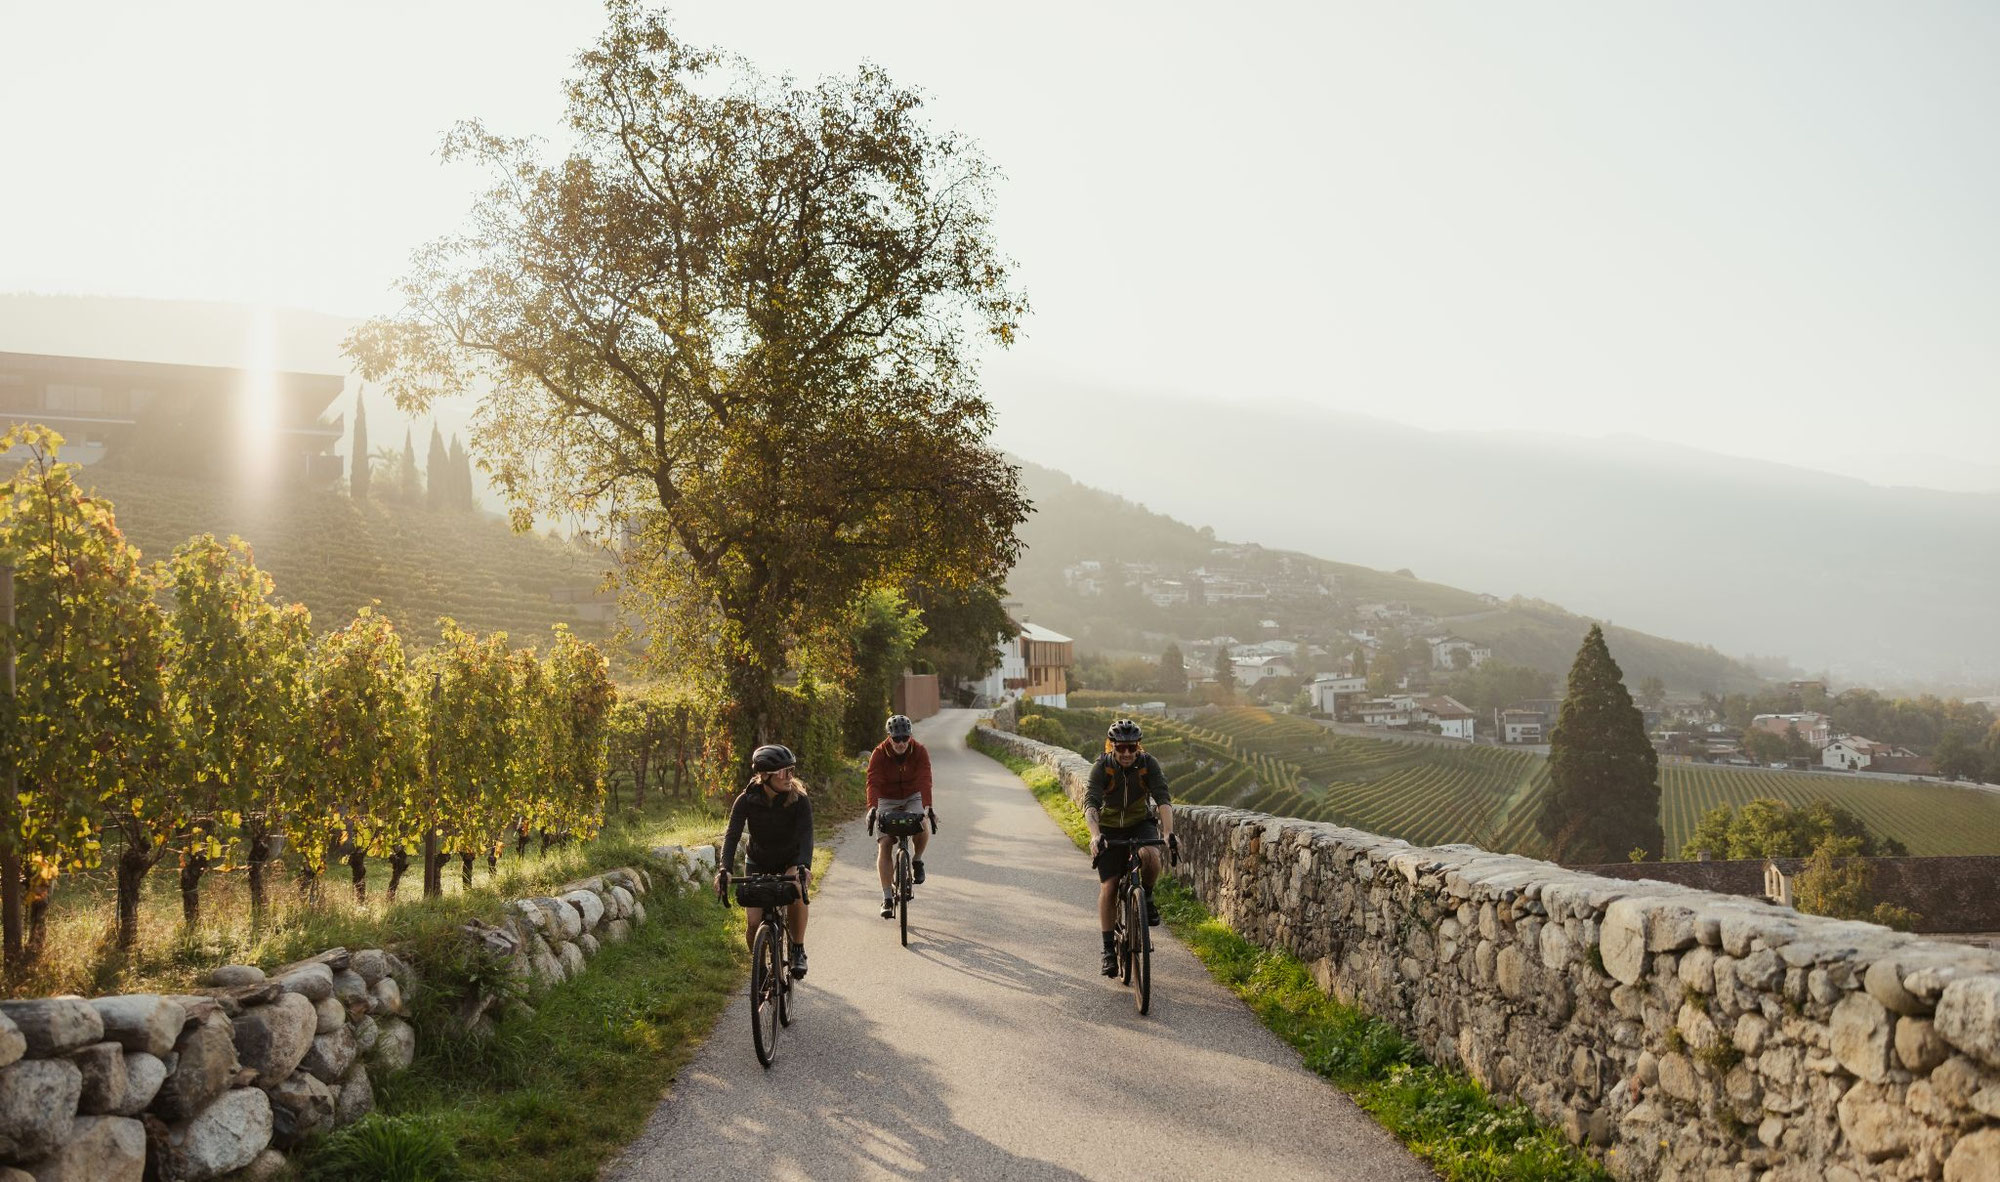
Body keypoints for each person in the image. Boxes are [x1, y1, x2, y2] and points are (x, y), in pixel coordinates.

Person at [1084, 718, 1178, 977]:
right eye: (1121, 747)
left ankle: (1146, 896)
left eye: (1132, 747)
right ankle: (1108, 951)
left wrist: (1169, 832)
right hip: (1110, 828)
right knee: (1109, 886)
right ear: (1111, 746)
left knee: (1151, 855)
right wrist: (1095, 835)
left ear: (1138, 746)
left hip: (1139, 822)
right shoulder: (1102, 767)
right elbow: (1091, 804)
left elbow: (1162, 798)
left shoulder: (1148, 764)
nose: (1126, 753)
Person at [716, 743, 814, 979]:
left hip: (791, 859)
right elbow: (732, 836)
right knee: (753, 922)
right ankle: (759, 967)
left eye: (791, 770)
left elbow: (806, 835)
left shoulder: (799, 800)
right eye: (783, 771)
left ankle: (798, 948)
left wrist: (803, 866)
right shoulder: (746, 800)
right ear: (765, 776)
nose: (790, 776)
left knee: (798, 888)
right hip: (758, 861)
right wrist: (724, 869)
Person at [866, 714, 937, 918]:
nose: (901, 743)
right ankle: (887, 897)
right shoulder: (879, 754)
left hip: (912, 795)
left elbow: (925, 779)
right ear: (889, 737)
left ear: (910, 736)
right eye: (896, 739)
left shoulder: (920, 751)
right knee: (885, 843)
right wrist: (872, 808)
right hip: (887, 799)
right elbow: (873, 782)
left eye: (905, 738)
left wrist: (928, 806)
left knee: (921, 823)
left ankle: (917, 860)